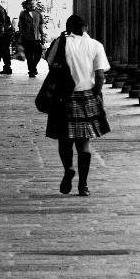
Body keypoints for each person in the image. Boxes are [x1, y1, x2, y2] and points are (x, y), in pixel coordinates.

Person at [45, 14, 110, 196]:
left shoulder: (60, 43)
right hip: (86, 95)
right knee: (84, 143)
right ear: (85, 27)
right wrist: (95, 93)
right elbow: (100, 75)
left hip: (63, 97)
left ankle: (68, 168)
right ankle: (83, 185)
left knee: (64, 140)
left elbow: (50, 64)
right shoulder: (95, 45)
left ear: (68, 28)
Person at [18, 0, 45, 78]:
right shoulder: (23, 14)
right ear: (26, 5)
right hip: (27, 38)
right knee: (29, 56)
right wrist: (20, 37)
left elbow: (40, 25)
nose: (32, 5)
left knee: (38, 53)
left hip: (36, 38)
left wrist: (42, 35)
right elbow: (20, 27)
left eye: (33, 4)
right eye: (30, 4)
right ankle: (31, 71)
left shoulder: (38, 13)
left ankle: (33, 67)